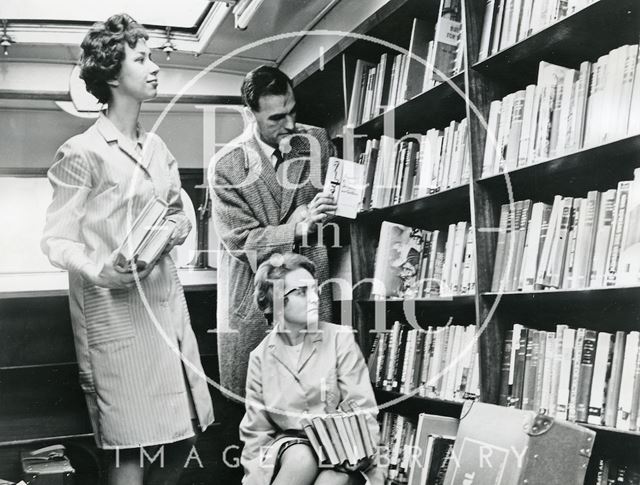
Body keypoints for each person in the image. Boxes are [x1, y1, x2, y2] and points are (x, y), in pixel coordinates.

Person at [41, 14, 214, 485]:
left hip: (165, 316)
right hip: (115, 319)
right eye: (142, 58)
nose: (154, 66)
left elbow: (178, 213)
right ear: (114, 76)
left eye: (152, 56)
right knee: (129, 454)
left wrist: (177, 229)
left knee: (182, 440)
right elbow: (55, 240)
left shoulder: (158, 148)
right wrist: (99, 271)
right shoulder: (83, 152)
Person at [209, 65, 338, 399]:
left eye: (292, 111)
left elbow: (340, 211)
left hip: (309, 298)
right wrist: (296, 227)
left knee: (313, 404)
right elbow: (243, 242)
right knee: (257, 414)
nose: (290, 125)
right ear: (250, 113)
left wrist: (334, 208)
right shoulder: (227, 165)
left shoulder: (318, 142)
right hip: (255, 307)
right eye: (277, 118)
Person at [240, 252, 383, 485]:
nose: (315, 297)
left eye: (314, 289)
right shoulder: (260, 357)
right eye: (301, 292)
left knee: (332, 480)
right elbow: (256, 432)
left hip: (344, 449)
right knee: (301, 458)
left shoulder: (340, 338)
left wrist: (357, 453)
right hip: (291, 450)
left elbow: (363, 407)